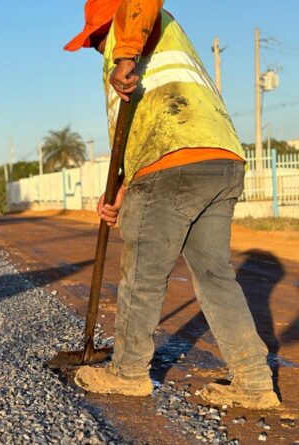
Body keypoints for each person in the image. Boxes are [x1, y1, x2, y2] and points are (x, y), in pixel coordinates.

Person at [64, 0, 280, 409]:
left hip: (170, 165)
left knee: (143, 274)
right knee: (215, 276)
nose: (97, 47)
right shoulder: (164, 40)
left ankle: (127, 374)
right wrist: (120, 186)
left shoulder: (130, 28)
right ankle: (254, 383)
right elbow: (136, 124)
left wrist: (124, 54)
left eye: (95, 37)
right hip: (219, 158)